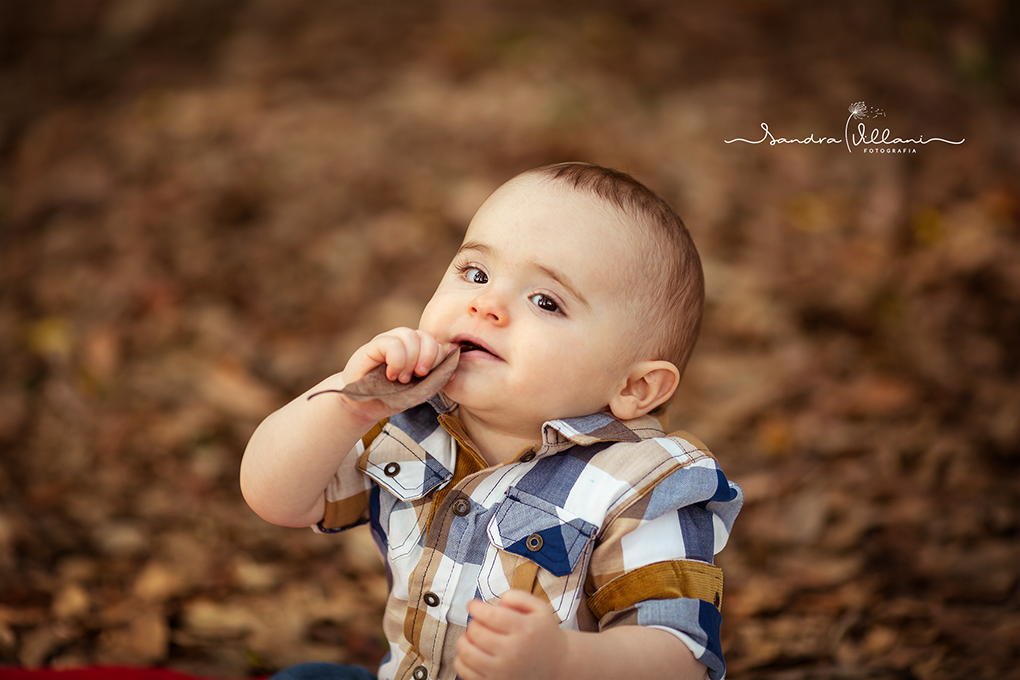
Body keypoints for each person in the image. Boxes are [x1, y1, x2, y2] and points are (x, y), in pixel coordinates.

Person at [240, 162, 743, 680]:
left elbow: (680, 657)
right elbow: (274, 498)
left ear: (634, 388)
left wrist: (563, 661)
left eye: (546, 301)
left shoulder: (639, 483)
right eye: (475, 274)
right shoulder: (411, 415)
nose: (487, 305)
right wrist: (347, 403)